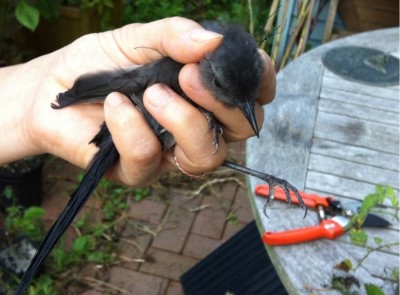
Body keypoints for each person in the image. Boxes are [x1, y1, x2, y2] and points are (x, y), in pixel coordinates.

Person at [0, 17, 276, 187]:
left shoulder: (212, 68)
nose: (244, 105)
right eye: (223, 87)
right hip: (126, 112)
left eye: (247, 99)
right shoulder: (186, 60)